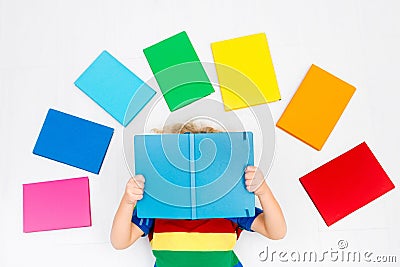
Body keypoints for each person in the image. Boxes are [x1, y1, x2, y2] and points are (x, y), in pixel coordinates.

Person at [110, 122, 286, 267]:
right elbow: (120, 242)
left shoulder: (230, 206)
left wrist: (263, 191)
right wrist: (127, 201)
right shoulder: (157, 207)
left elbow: (276, 232)